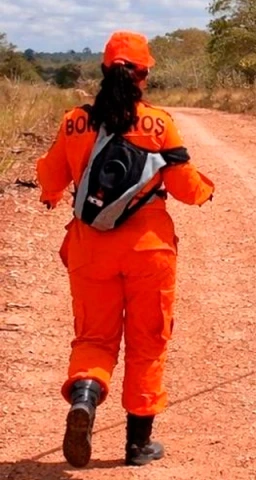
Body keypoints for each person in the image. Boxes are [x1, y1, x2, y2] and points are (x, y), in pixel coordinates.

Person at [35, 30, 215, 468]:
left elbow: (50, 180)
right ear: (143, 75)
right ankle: (137, 445)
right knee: (147, 342)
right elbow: (186, 187)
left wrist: (52, 194)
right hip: (149, 250)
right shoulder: (159, 123)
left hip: (89, 249)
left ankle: (85, 396)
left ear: (103, 70)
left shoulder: (74, 121)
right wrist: (206, 190)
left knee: (94, 338)